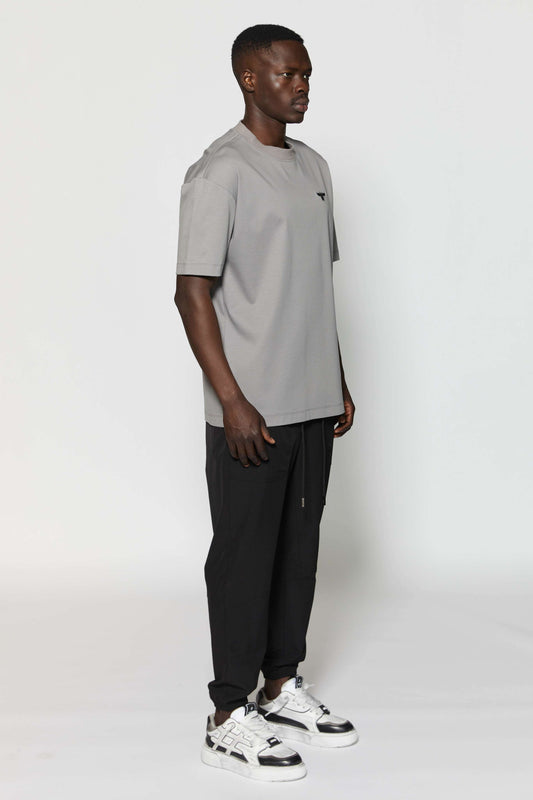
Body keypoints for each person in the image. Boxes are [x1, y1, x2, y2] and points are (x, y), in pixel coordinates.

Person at [174, 24, 358, 782]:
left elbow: (314, 281)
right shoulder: (220, 171)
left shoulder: (313, 167)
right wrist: (232, 400)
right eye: (287, 74)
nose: (301, 85)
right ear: (249, 78)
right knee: (244, 556)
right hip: (252, 408)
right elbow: (192, 293)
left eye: (306, 74)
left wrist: (337, 377)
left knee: (298, 551)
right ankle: (227, 714)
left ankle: (280, 685)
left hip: (312, 401)